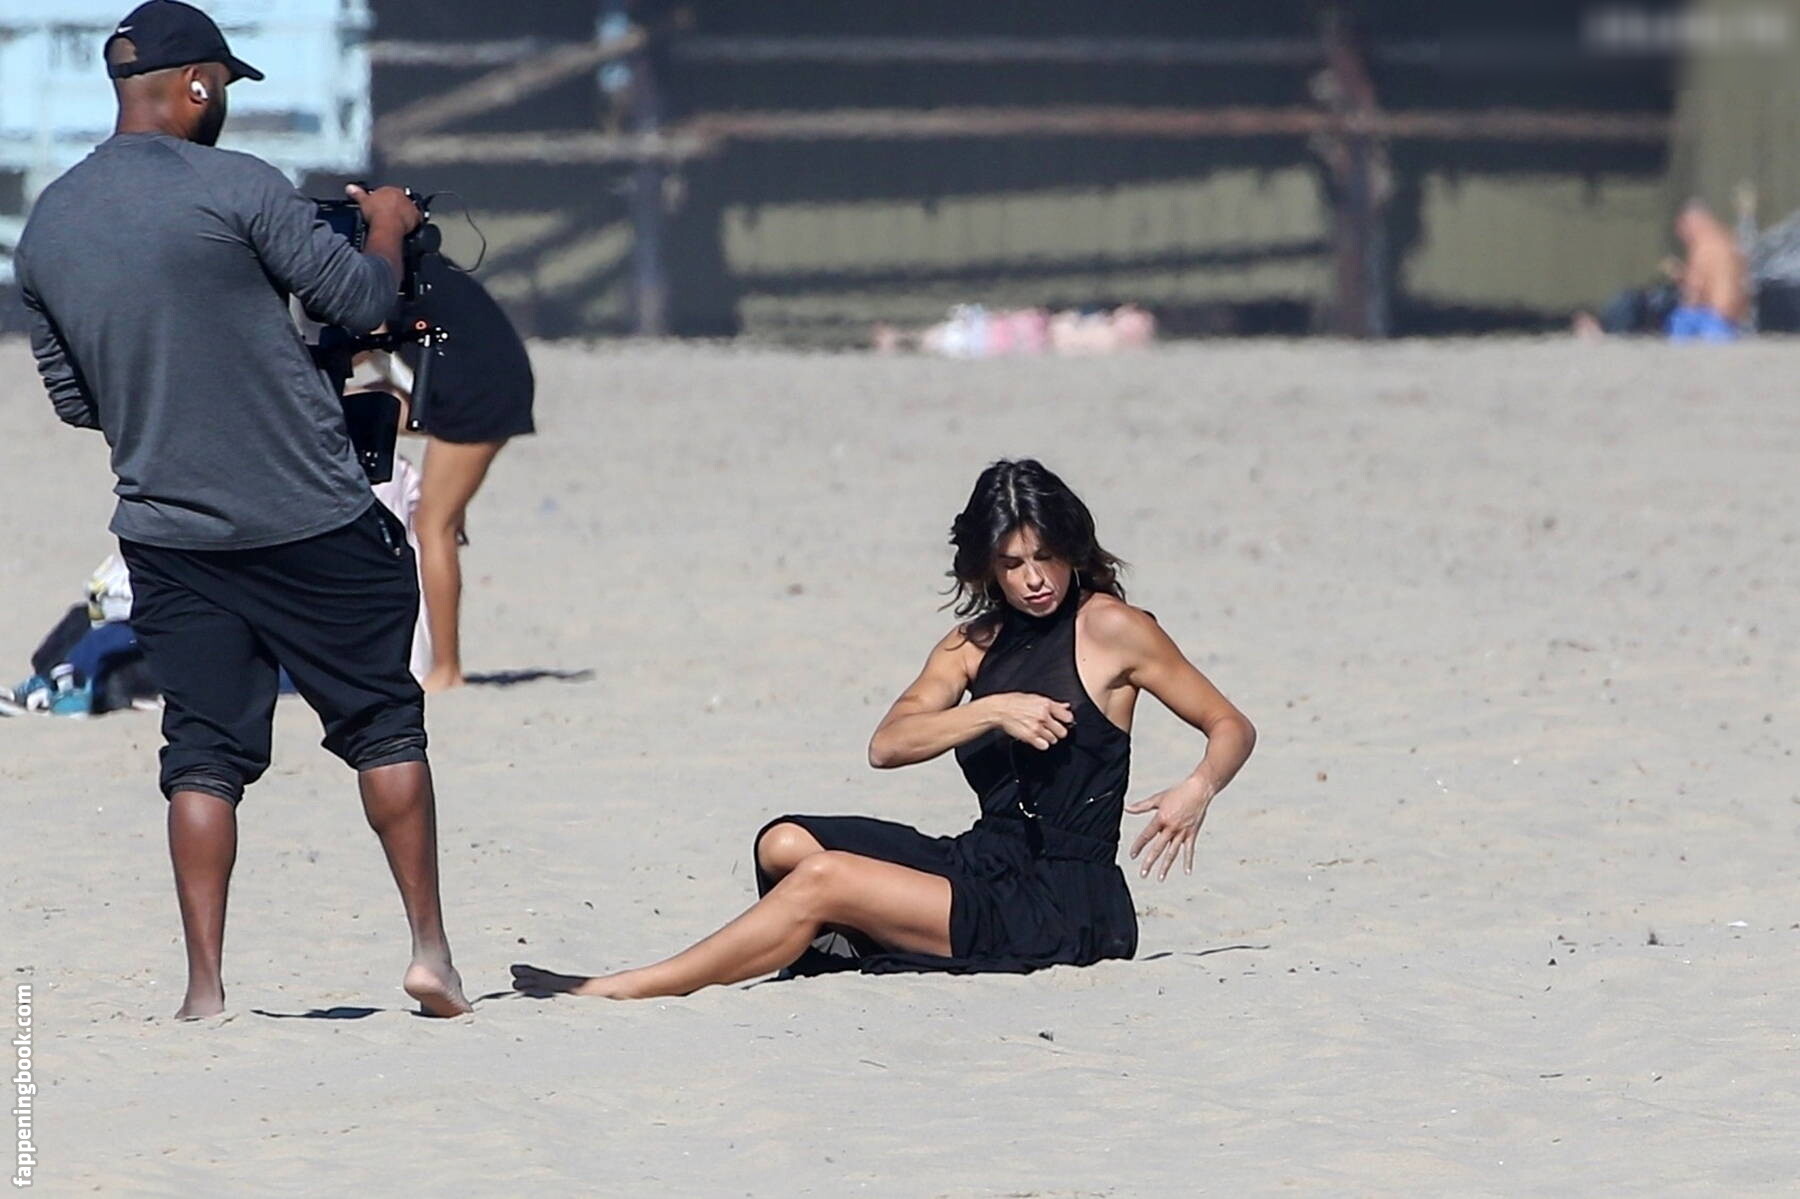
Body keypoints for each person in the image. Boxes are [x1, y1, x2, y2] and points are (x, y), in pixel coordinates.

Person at [15, 0, 469, 1019]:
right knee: (384, 725)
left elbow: (76, 401)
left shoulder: (48, 225)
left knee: (202, 753)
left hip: (167, 529)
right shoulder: (240, 185)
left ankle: (205, 989)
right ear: (196, 87)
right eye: (221, 86)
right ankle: (430, 952)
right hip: (312, 513)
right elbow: (364, 301)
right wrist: (388, 228)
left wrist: (190, 384)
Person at [512, 459, 1256, 1000]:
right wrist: (991, 709)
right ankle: (833, 939)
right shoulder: (974, 644)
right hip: (986, 860)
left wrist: (1197, 788)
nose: (1035, 579)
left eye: (1047, 558)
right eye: (1013, 563)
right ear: (986, 568)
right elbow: (887, 745)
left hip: (1066, 900)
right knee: (785, 843)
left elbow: (1230, 724)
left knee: (825, 878)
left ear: (1071, 550)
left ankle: (629, 985)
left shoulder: (1114, 628)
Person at [355, 251, 536, 692]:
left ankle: (446, 670)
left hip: (474, 398)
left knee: (432, 527)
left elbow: (361, 344)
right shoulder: (412, 260)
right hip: (472, 384)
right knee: (351, 405)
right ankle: (429, 496)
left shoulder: (379, 269)